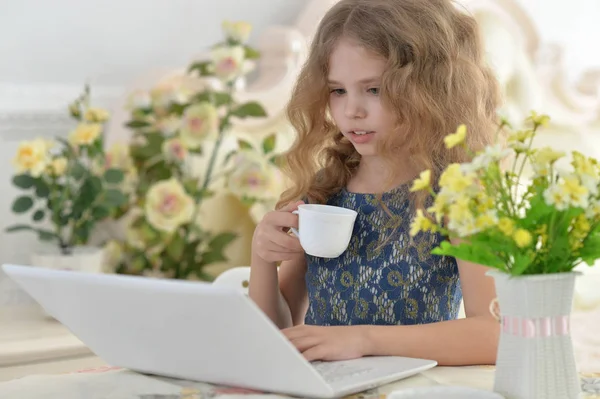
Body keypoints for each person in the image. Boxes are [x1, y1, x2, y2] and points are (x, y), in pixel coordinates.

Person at [249, 0, 502, 366]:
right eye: (338, 90)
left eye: (374, 90)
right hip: (327, 386)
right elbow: (279, 334)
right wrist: (261, 259)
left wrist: (362, 339)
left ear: (429, 90)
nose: (352, 110)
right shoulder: (328, 187)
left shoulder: (458, 192)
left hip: (413, 388)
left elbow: (494, 333)